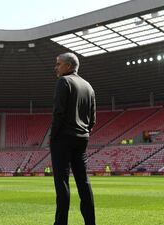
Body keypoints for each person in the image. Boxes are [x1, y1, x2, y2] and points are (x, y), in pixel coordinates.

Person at [50, 52, 96, 225]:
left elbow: (58, 113)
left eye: (58, 64)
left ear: (68, 66)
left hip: (63, 138)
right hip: (82, 138)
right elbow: (93, 119)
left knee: (62, 182)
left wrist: (53, 137)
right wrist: (84, 132)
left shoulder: (64, 82)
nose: (56, 67)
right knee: (83, 182)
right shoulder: (88, 86)